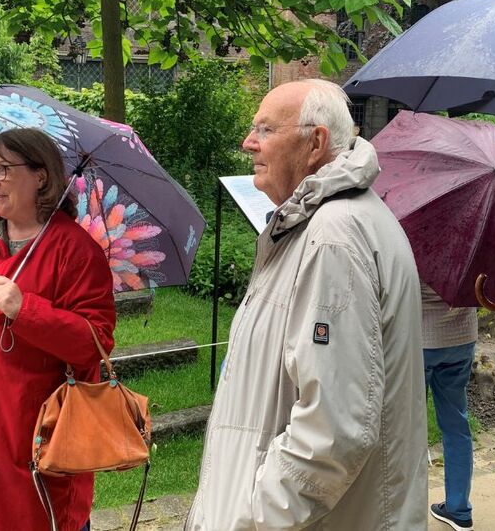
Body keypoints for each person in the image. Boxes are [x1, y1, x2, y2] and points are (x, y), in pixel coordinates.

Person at [185, 79, 427, 530]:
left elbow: (333, 430)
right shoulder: (321, 223)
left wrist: (253, 520)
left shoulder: (333, 235)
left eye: (265, 129)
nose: (248, 142)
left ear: (315, 143)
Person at [0, 128, 116, 531]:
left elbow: (95, 344)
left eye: (2, 169)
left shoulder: (75, 252)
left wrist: (27, 309)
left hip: (35, 441)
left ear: (40, 176)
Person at [422, 284, 477, 530]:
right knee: (457, 425)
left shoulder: (418, 246)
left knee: (407, 427)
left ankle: (406, 507)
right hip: (462, 337)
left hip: (421, 338)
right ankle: (459, 509)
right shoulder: (471, 245)